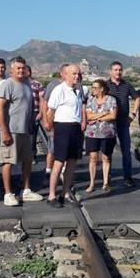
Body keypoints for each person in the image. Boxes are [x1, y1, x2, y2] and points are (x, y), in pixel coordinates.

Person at [0, 56, 42, 206]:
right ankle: (8, 194)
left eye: (23, 68)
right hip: (11, 130)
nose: (21, 70)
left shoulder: (27, 84)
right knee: (8, 160)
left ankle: (26, 190)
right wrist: (4, 131)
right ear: (12, 70)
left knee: (27, 160)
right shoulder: (7, 84)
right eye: (18, 68)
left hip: (25, 130)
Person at [45, 64, 87, 207]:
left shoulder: (78, 90)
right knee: (59, 162)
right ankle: (51, 195)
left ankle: (64, 193)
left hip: (75, 128)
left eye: (78, 73)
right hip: (63, 127)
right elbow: (50, 111)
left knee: (72, 162)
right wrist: (51, 128)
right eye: (74, 73)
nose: (77, 76)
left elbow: (81, 108)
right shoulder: (59, 90)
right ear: (66, 74)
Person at [107, 61, 138, 187]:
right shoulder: (106, 85)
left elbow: (137, 98)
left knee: (126, 151)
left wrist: (133, 114)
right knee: (107, 152)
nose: (118, 72)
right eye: (115, 69)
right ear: (110, 71)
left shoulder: (127, 85)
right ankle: (107, 179)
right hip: (109, 123)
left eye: (120, 69)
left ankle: (128, 177)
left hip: (124, 122)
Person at [84, 78, 117, 193]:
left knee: (106, 158)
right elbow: (88, 116)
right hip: (92, 133)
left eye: (95, 87)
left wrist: (96, 116)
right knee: (93, 158)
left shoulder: (111, 100)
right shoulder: (90, 100)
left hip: (107, 134)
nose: (92, 89)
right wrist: (103, 113)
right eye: (92, 87)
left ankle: (105, 182)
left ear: (102, 89)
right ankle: (92, 183)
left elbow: (113, 116)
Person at [40, 64, 68, 176]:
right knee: (52, 148)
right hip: (54, 122)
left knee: (65, 147)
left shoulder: (74, 85)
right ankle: (48, 169)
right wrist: (46, 120)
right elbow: (44, 102)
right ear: (61, 73)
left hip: (66, 123)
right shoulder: (53, 85)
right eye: (66, 72)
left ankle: (63, 170)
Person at [26, 65, 45, 161]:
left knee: (33, 136)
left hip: (34, 112)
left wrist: (41, 113)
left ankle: (32, 155)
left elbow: (42, 99)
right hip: (23, 114)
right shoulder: (20, 83)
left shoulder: (37, 84)